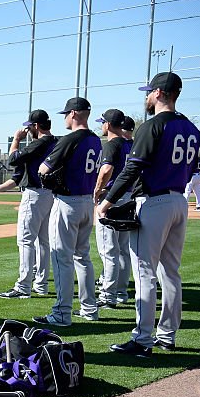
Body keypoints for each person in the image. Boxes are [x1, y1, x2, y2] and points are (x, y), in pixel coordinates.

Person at [97, 71, 200, 357]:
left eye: (148, 91)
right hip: (180, 201)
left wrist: (106, 201)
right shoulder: (192, 128)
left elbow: (132, 169)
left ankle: (142, 339)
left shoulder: (151, 126)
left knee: (145, 273)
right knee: (170, 273)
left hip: (154, 202)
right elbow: (193, 169)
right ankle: (167, 335)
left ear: (158, 93)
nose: (146, 96)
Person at [33, 96, 102, 327]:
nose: (65, 118)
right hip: (87, 202)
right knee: (83, 257)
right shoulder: (96, 139)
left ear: (73, 114)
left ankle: (62, 312)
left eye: (66, 114)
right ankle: (90, 308)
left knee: (62, 259)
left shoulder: (69, 139)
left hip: (67, 203)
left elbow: (44, 169)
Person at [0, 108, 56, 300]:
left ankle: (23, 286)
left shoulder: (40, 142)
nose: (27, 130)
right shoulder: (56, 142)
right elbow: (17, 176)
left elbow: (13, 159)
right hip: (51, 194)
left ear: (36, 126)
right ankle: (40, 284)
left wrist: (16, 139)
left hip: (35, 195)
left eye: (30, 127)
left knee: (25, 240)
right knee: (44, 241)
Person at [92, 108, 133, 308]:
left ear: (108, 124)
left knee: (109, 251)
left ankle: (107, 296)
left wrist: (98, 189)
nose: (102, 125)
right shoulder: (128, 144)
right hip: (127, 197)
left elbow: (106, 169)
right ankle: (121, 293)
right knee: (123, 250)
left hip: (111, 199)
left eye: (103, 122)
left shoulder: (112, 144)